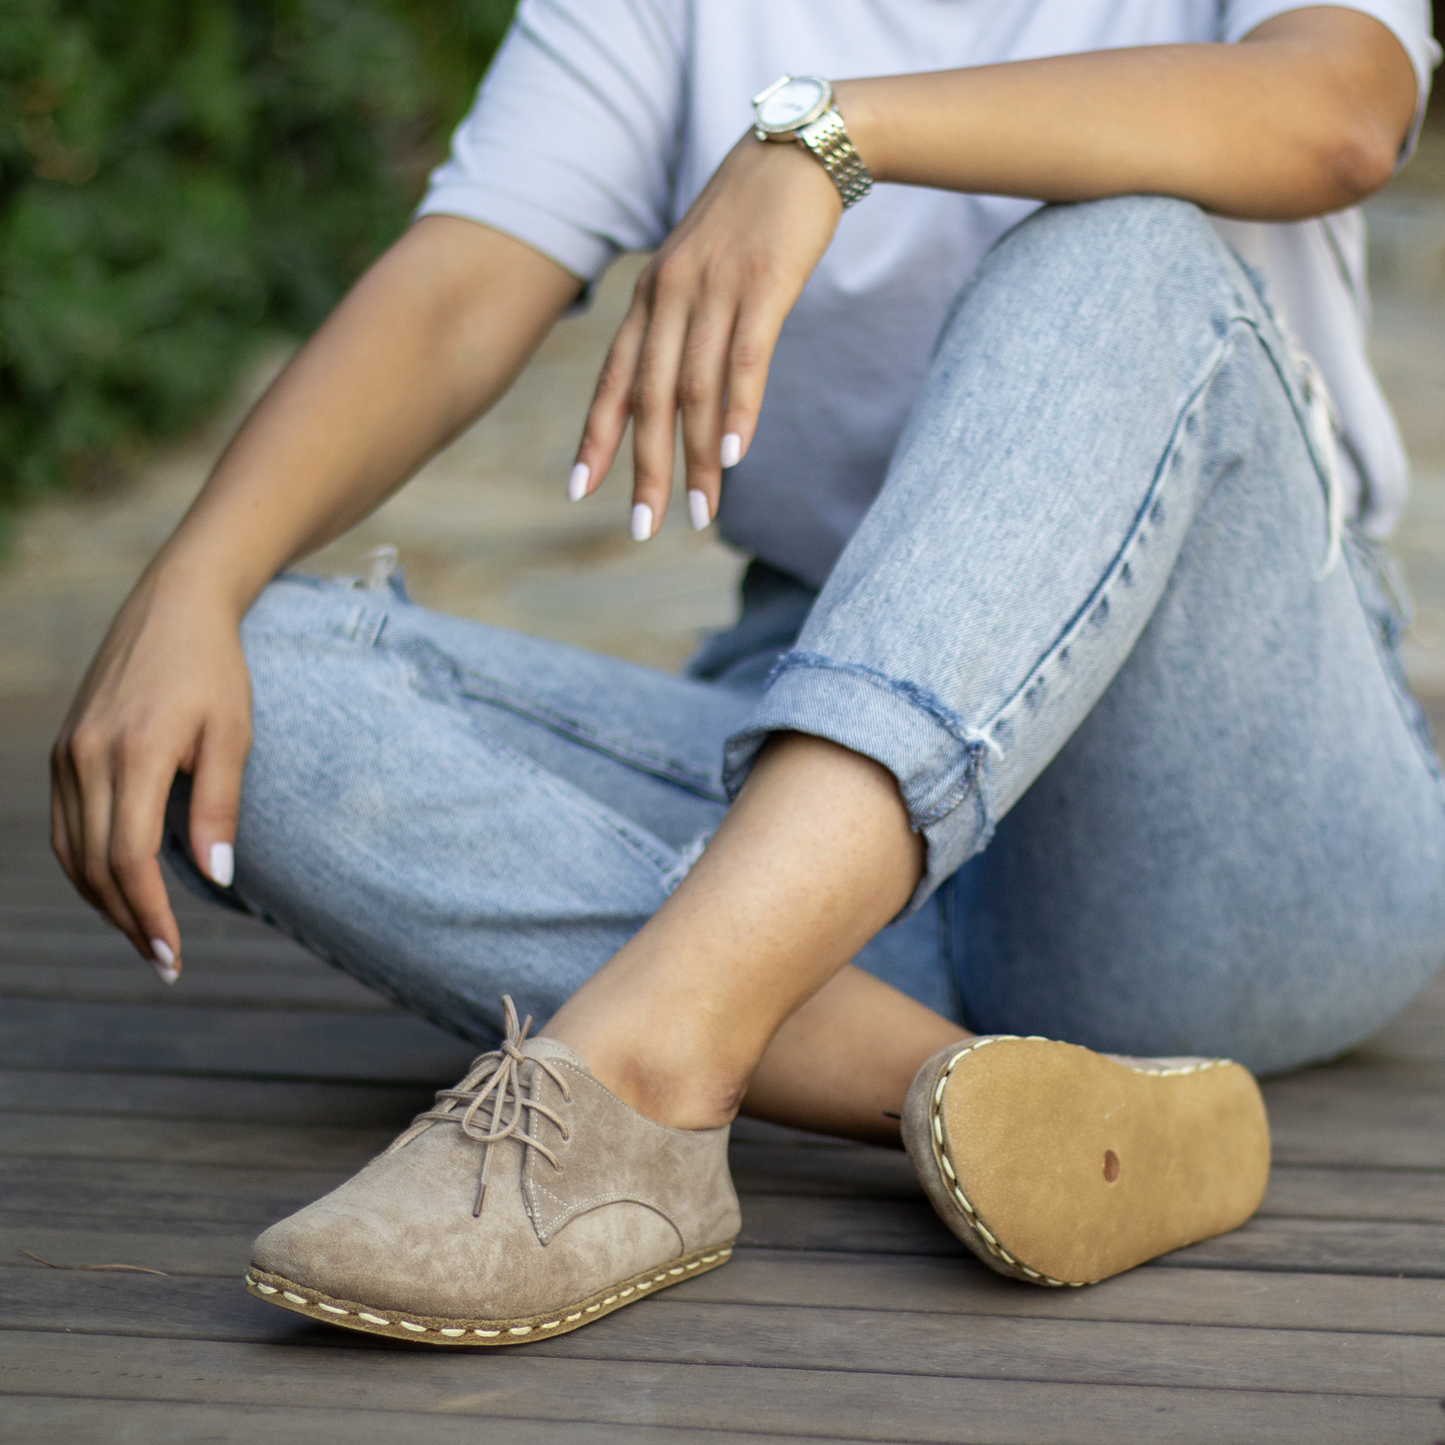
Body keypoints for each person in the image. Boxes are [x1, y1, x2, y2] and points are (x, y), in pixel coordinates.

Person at [51, 0, 1443, 1343]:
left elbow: (1337, 113)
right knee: (238, 688)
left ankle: (656, 1063)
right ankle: (965, 1091)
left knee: (1121, 249)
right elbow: (459, 288)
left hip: (1229, 816)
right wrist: (187, 584)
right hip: (846, 841)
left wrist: (827, 138)